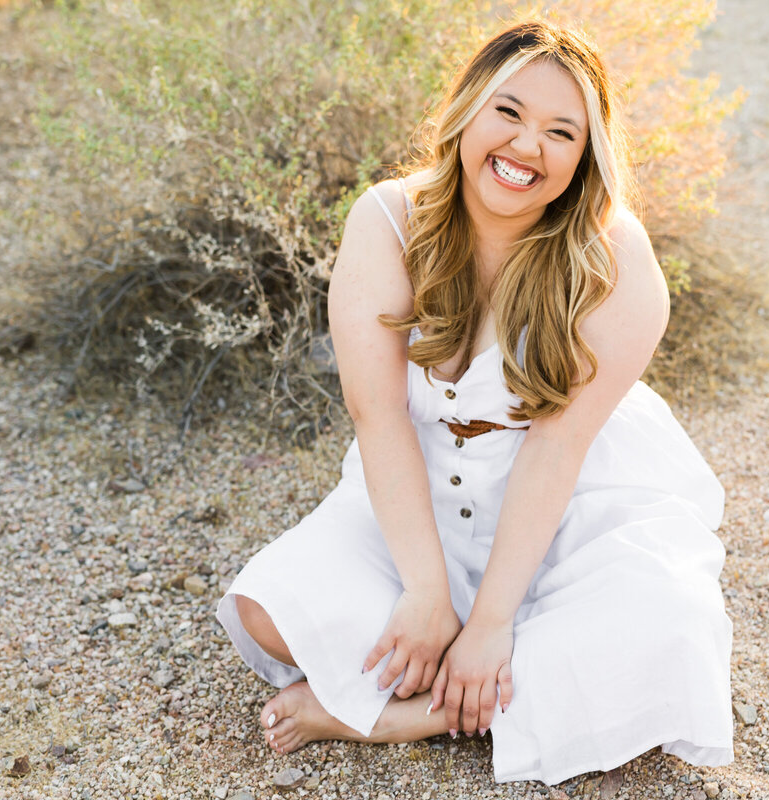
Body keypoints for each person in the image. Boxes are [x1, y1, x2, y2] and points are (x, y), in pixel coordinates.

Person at [215, 19, 733, 784]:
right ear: (467, 110)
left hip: (566, 499)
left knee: (669, 628)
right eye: (510, 112)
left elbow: (557, 448)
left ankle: (397, 717)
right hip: (415, 486)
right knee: (268, 610)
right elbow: (379, 414)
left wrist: (489, 624)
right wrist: (426, 593)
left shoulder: (613, 255)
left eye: (562, 132)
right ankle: (507, 687)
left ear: (585, 158)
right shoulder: (389, 219)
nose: (528, 146)